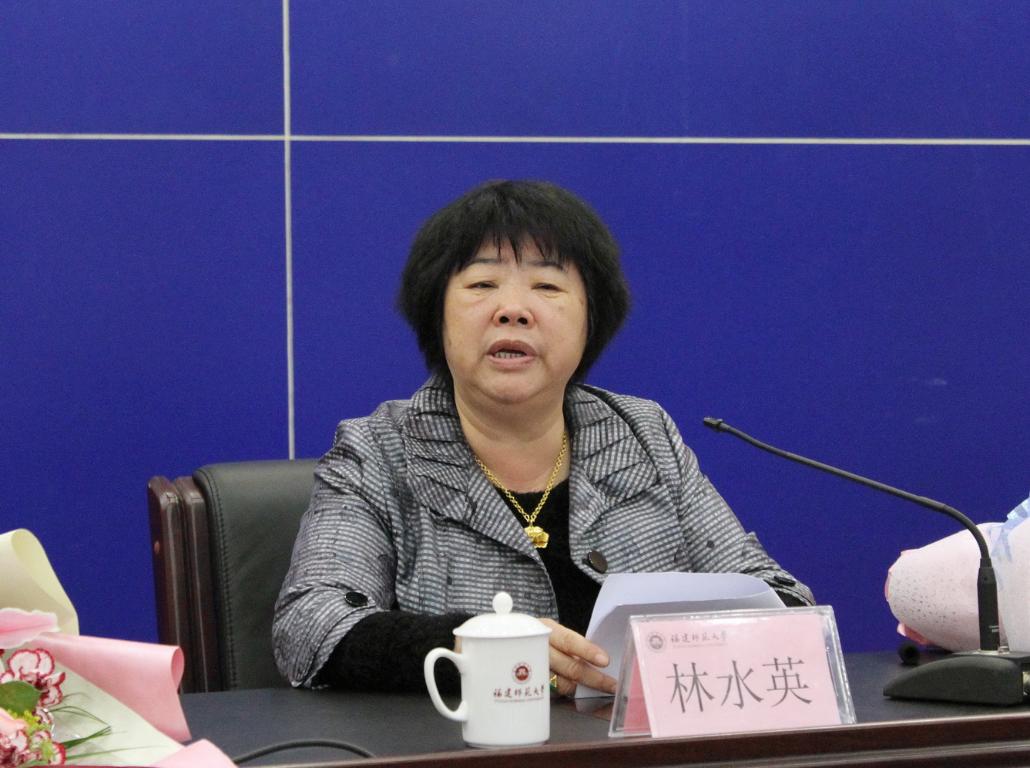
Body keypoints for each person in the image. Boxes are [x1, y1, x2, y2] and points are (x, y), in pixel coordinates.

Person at [273, 180, 813, 696]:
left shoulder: (643, 434)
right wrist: (472, 646)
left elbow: (779, 599)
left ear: (591, 320)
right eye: (482, 285)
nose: (512, 309)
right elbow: (309, 625)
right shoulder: (378, 452)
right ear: (435, 315)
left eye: (548, 287)